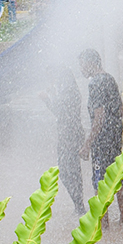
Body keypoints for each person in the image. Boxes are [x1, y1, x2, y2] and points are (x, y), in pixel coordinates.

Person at [78, 49, 123, 224]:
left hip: (102, 139)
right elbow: (121, 111)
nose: (81, 69)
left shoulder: (95, 83)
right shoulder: (109, 78)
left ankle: (104, 223)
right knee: (118, 175)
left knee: (99, 180)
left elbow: (99, 116)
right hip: (115, 134)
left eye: (82, 64)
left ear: (91, 63)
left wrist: (88, 143)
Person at [40, 68, 86, 211]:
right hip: (70, 134)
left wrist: (46, 99)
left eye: (58, 79)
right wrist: (52, 92)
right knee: (70, 170)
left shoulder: (69, 94)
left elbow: (58, 110)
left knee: (68, 171)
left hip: (69, 136)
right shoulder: (71, 92)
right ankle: (78, 204)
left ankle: (79, 205)